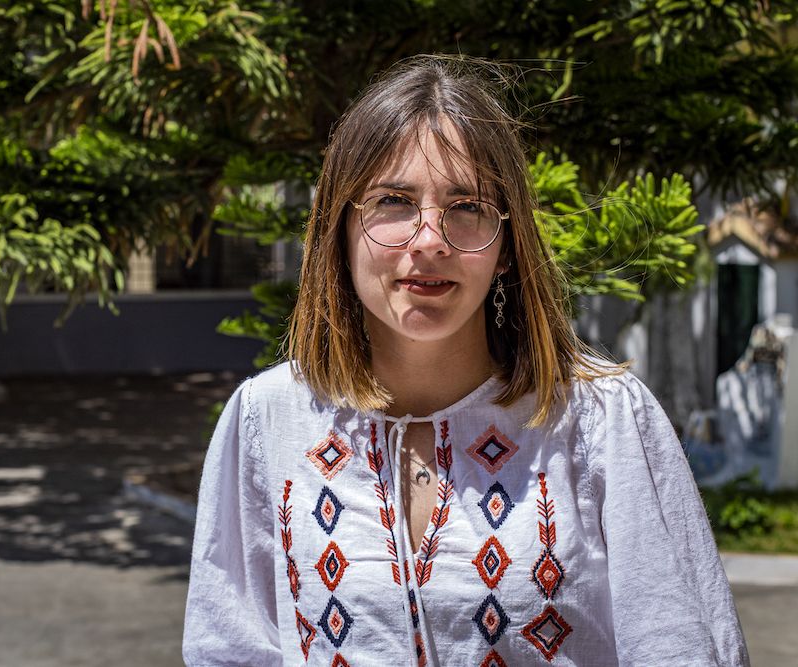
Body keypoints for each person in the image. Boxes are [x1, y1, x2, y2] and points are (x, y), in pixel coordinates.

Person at [183, 55, 748, 666]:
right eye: (393, 201)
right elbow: (229, 651)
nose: (430, 240)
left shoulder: (600, 422)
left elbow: (683, 649)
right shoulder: (267, 420)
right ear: (339, 230)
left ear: (506, 247)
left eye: (468, 207)